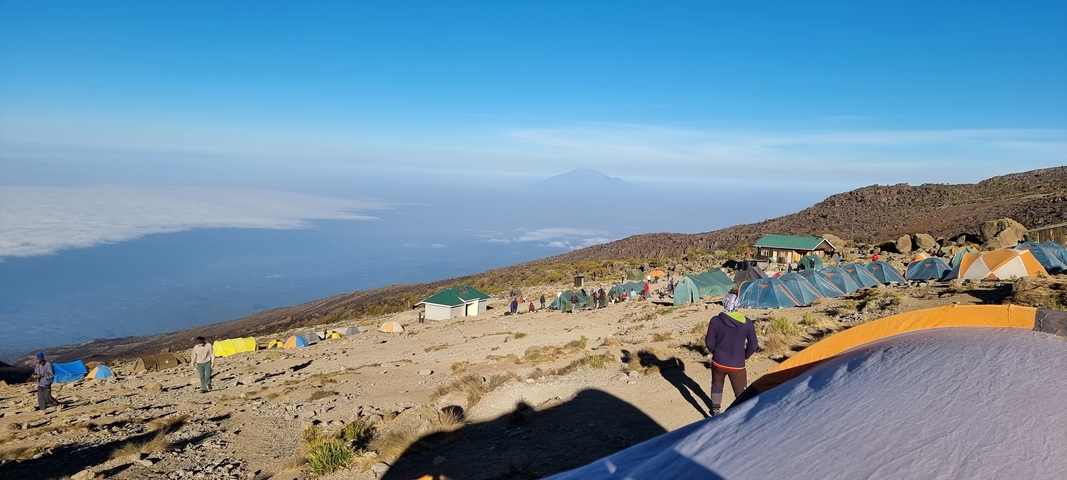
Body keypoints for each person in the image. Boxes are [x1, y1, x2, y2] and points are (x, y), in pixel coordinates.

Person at [704, 297, 757, 416]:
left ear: (724, 304)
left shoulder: (715, 320)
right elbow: (753, 345)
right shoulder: (747, 323)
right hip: (737, 364)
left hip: (718, 362)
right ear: (737, 305)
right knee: (740, 392)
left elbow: (709, 342)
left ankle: (716, 412)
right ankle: (742, 415)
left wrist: (716, 352)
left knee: (717, 386)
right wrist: (744, 356)